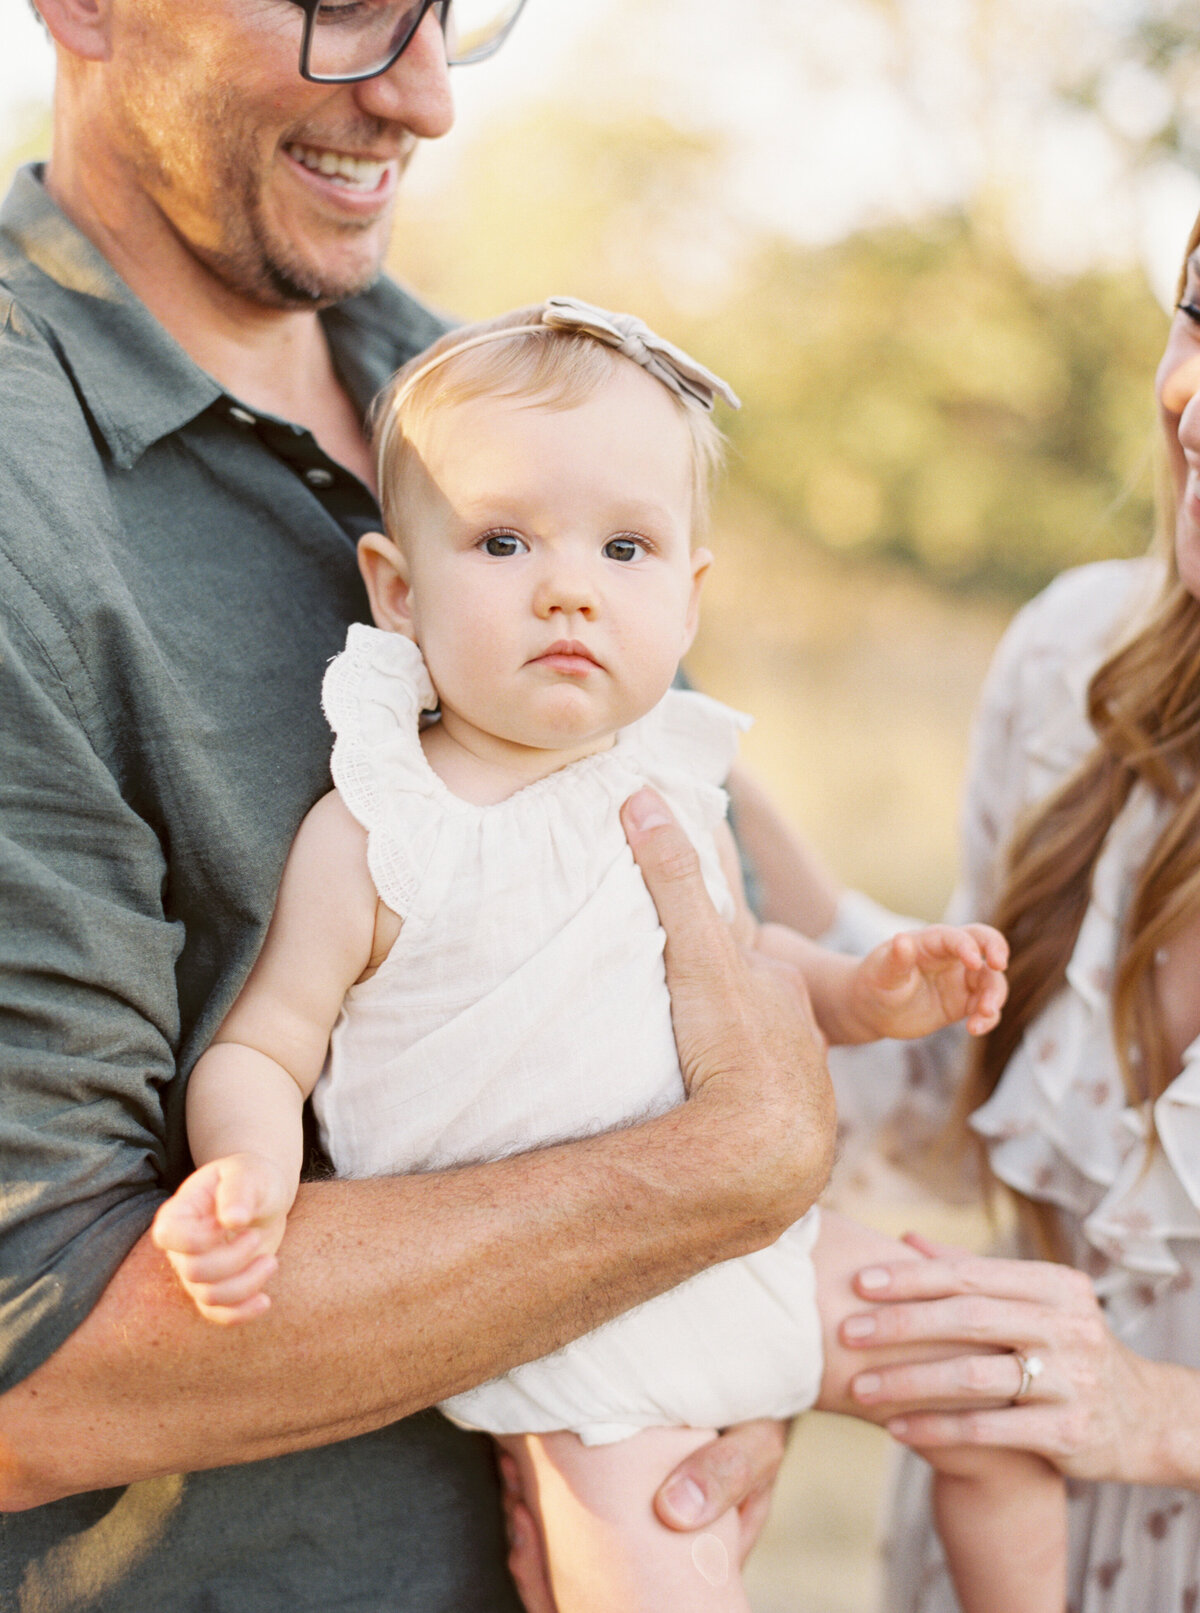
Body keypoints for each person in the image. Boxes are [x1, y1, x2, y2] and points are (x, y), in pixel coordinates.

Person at [0, 4, 837, 1608]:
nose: (426, 94)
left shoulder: (481, 400)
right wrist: (711, 1178)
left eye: (452, 10)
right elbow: (27, 1355)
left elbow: (709, 873)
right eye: (340, 8)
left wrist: (717, 1339)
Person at [149, 300, 1062, 1613]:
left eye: (625, 546)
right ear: (397, 589)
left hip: (754, 1242)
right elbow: (265, 1042)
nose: (567, 584)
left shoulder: (669, 778)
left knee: (999, 1373)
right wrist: (243, 1172)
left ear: (689, 596)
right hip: (567, 1306)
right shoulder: (380, 832)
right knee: (660, 1577)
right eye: (504, 539)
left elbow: (747, 979)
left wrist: (868, 990)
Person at [782, 213, 1200, 1610]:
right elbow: (949, 1094)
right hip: (1000, 1557)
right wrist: (673, 763)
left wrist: (1154, 1410)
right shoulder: (1075, 660)